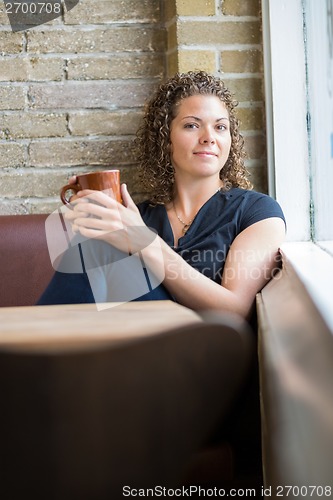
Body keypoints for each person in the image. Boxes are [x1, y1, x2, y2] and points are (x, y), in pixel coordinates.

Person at [38, 71, 285, 320]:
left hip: (204, 345)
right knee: (98, 238)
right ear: (166, 139)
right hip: (128, 344)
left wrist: (143, 240)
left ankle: (25, 347)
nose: (209, 137)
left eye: (220, 127)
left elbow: (235, 309)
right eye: (192, 125)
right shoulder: (138, 216)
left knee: (101, 242)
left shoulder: (258, 212)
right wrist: (92, 219)